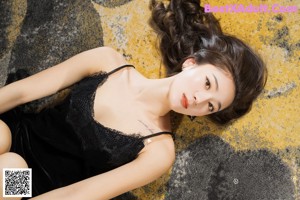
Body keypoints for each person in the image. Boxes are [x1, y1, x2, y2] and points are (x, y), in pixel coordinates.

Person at [0, 0, 267, 199]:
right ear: (190, 63)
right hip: (17, 137)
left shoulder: (159, 151)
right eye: (208, 83)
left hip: (38, 189)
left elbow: (82, 194)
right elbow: (21, 93)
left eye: (211, 105)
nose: (200, 98)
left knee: (11, 166)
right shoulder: (107, 61)